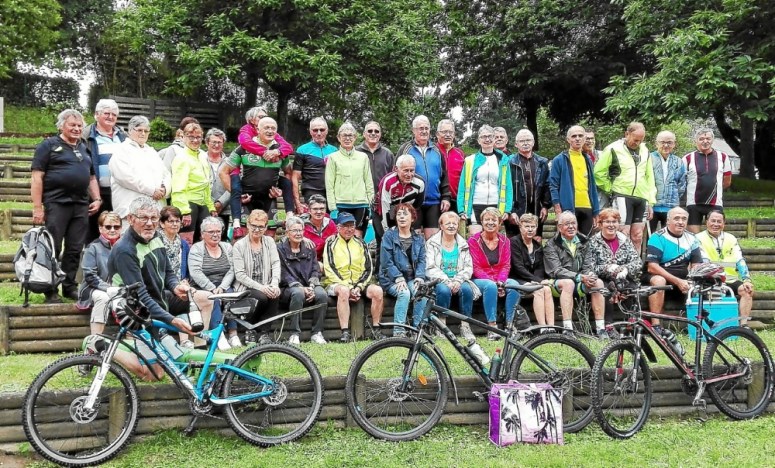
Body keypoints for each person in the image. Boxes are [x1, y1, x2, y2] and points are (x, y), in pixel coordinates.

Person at [105, 196, 212, 380]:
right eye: (143, 218)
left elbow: (168, 270)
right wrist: (173, 320)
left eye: (154, 218)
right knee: (154, 375)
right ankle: (104, 346)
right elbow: (141, 297)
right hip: (135, 310)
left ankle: (198, 351)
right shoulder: (125, 250)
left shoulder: (155, 236)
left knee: (205, 298)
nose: (149, 223)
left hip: (158, 299)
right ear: (130, 219)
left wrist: (176, 285)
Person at [31, 109, 102, 302]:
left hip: (81, 205)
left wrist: (97, 199)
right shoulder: (48, 146)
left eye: (80, 125)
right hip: (56, 203)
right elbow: (37, 177)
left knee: (75, 247)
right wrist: (38, 208)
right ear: (61, 125)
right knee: (52, 246)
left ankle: (69, 285)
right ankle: (50, 289)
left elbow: (91, 176)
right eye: (72, 125)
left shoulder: (84, 147)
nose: (77, 129)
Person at [228, 107, 295, 238]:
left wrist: (280, 188)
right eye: (263, 121)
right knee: (241, 239)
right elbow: (224, 171)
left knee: (269, 240)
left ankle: (290, 215)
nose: (270, 130)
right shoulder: (244, 143)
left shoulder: (279, 147)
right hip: (247, 198)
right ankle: (236, 224)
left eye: (273, 128)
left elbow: (288, 172)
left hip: (269, 198)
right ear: (257, 127)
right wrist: (236, 192)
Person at [594, 122, 656, 253]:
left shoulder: (645, 151)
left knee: (638, 236)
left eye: (640, 140)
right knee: (623, 234)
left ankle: (635, 268)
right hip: (622, 195)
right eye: (635, 140)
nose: (637, 143)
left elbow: (650, 177)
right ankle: (621, 268)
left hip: (642, 197)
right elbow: (598, 172)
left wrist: (651, 201)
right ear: (627, 134)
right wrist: (611, 188)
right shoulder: (613, 148)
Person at [322, 212, 384, 342]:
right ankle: (345, 332)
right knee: (344, 291)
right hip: (336, 282)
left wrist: (359, 286)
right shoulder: (330, 243)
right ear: (338, 227)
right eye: (345, 226)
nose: (349, 229)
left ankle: (376, 329)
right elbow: (329, 268)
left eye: (352, 225)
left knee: (377, 291)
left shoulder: (361, 243)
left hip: (359, 283)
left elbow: (368, 268)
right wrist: (349, 287)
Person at [582, 208, 643, 336]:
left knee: (632, 288)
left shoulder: (625, 240)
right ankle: (608, 327)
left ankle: (631, 327)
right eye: (607, 222)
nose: (611, 225)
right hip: (603, 279)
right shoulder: (593, 242)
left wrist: (625, 269)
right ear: (600, 224)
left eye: (614, 221)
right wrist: (608, 268)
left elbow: (637, 263)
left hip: (623, 277)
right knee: (606, 289)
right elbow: (588, 267)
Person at [543, 211, 606, 334]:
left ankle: (601, 329)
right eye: (567, 224)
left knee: (598, 283)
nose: (571, 227)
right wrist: (579, 277)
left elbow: (588, 265)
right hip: (557, 282)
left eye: (573, 223)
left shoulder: (584, 241)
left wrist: (589, 276)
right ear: (560, 227)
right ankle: (568, 329)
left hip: (580, 280)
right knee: (568, 283)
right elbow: (556, 270)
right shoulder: (551, 244)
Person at [643, 207, 705, 328]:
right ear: (667, 221)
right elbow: (652, 267)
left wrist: (691, 281)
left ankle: (697, 325)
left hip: (682, 278)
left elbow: (696, 265)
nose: (680, 222)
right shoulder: (658, 237)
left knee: (701, 282)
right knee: (659, 281)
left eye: (684, 219)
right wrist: (677, 281)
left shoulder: (692, 238)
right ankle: (656, 326)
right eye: (676, 218)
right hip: (658, 275)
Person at [467, 208, 521, 340]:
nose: (490, 222)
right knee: (490, 286)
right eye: (487, 219)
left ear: (499, 223)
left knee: (514, 284)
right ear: (482, 222)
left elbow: (505, 265)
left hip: (499, 279)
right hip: (480, 279)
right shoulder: (473, 241)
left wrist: (501, 281)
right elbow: (476, 267)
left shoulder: (505, 241)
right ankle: (492, 328)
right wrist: (495, 282)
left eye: (494, 220)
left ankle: (510, 325)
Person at [187, 216, 240, 349]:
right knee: (213, 298)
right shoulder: (196, 249)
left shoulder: (227, 247)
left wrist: (222, 287)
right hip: (203, 286)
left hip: (223, 284)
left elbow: (232, 269)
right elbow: (195, 273)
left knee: (230, 296)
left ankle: (233, 334)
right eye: (211, 232)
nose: (216, 235)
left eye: (218, 231)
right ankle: (219, 335)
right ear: (203, 234)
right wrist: (211, 287)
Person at [425, 212, 480, 340]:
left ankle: (465, 326)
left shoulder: (463, 244)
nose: (451, 226)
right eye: (448, 223)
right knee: (443, 290)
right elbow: (430, 267)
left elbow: (468, 267)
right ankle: (441, 326)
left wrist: (457, 280)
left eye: (454, 223)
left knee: (466, 290)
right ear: (441, 226)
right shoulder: (432, 243)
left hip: (458, 279)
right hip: (439, 280)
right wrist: (447, 281)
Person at [231, 209, 282, 345]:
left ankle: (264, 333)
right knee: (262, 296)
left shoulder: (270, 242)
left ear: (265, 227)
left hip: (266, 283)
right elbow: (240, 275)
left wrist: (275, 284)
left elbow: (276, 264)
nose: (257, 229)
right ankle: (250, 329)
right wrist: (262, 288)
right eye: (254, 225)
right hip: (246, 287)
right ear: (247, 225)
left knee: (275, 294)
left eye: (261, 226)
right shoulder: (239, 245)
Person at [109, 115, 170, 226]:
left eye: (146, 131)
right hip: (131, 211)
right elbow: (125, 177)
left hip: (155, 212)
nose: (143, 134)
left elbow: (166, 174)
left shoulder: (152, 152)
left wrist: (165, 189)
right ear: (130, 131)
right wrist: (152, 190)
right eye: (139, 130)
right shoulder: (121, 150)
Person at [277, 216, 329, 345]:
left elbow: (315, 269)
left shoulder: (309, 247)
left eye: (300, 230)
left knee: (322, 294)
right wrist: (300, 287)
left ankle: (317, 332)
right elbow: (282, 273)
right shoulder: (279, 249)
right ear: (287, 233)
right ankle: (294, 333)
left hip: (308, 283)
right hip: (288, 287)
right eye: (294, 230)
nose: (298, 233)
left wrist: (312, 285)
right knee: (298, 293)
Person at [397, 115, 450, 238]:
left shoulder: (436, 150)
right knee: (413, 239)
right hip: (412, 202)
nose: (424, 131)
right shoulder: (405, 149)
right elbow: (396, 174)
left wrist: (446, 197)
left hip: (434, 202)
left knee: (433, 240)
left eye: (426, 128)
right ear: (413, 130)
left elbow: (444, 176)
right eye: (421, 128)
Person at [696, 211, 754, 320]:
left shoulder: (731, 238)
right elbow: (704, 260)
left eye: (719, 221)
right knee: (716, 292)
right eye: (713, 221)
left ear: (724, 223)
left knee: (747, 290)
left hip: (731, 278)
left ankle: (743, 324)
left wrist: (746, 279)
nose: (716, 224)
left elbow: (740, 260)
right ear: (706, 222)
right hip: (710, 279)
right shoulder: (698, 238)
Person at [83, 99, 127, 242]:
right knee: (94, 232)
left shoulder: (123, 137)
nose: (110, 117)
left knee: (117, 231)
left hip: (119, 191)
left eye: (114, 114)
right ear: (96, 114)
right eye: (106, 113)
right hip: (96, 192)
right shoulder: (86, 136)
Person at [379, 204, 426, 337]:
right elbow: (386, 262)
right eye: (399, 214)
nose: (401, 217)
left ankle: (417, 330)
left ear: (412, 218)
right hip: (391, 278)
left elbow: (422, 260)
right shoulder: (388, 236)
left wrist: (420, 277)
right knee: (404, 293)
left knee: (420, 291)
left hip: (411, 278)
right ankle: (398, 331)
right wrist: (398, 278)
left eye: (405, 214)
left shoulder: (418, 239)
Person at [457, 125, 513, 235]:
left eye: (490, 136)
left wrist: (507, 209)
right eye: (484, 137)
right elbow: (462, 187)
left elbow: (508, 187)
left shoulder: (503, 160)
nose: (487, 139)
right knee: (476, 239)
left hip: (496, 204)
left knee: (493, 241)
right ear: (479, 140)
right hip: (475, 204)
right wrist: (461, 209)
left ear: (494, 138)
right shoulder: (470, 160)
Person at [548, 125, 600, 236]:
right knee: (568, 242)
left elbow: (593, 187)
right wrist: (558, 210)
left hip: (587, 207)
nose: (577, 138)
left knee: (586, 243)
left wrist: (596, 211)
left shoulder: (587, 159)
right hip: (568, 208)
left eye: (580, 136)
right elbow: (553, 186)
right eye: (574, 136)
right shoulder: (559, 160)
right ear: (568, 139)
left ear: (585, 138)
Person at [77, 211, 122, 335]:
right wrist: (109, 288)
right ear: (100, 228)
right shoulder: (92, 247)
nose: (112, 230)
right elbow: (90, 276)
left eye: (116, 227)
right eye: (108, 227)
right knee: (103, 298)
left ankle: (132, 341)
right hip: (92, 288)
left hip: (119, 289)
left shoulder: (126, 247)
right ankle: (95, 339)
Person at [325, 123, 374, 237]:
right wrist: (332, 208)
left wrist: (371, 205)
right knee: (342, 237)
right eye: (344, 135)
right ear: (338, 138)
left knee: (357, 237)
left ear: (355, 137)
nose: (347, 138)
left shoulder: (363, 157)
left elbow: (368, 182)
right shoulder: (333, 157)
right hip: (341, 204)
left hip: (361, 204)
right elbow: (329, 184)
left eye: (350, 135)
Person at [170, 121, 216, 244]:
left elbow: (206, 183)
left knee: (204, 240)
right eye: (191, 137)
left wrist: (210, 206)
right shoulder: (181, 158)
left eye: (198, 137)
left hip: (202, 203)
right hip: (188, 204)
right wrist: (184, 211)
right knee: (187, 241)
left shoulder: (202, 155)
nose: (195, 140)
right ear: (183, 137)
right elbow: (178, 187)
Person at [683, 128, 733, 233]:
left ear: (712, 140)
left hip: (715, 203)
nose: (705, 141)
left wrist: (715, 189)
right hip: (694, 203)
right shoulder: (687, 158)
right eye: (701, 139)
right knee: (693, 237)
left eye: (708, 138)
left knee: (714, 235)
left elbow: (727, 181)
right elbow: (682, 181)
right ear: (695, 141)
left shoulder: (723, 157)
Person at [509, 213, 554, 326]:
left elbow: (540, 267)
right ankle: (543, 327)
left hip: (532, 280)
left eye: (533, 227)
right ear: (520, 227)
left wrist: (538, 280)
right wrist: (537, 281)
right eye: (527, 226)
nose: (530, 229)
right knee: (539, 290)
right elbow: (518, 267)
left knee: (547, 289)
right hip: (517, 279)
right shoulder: (514, 242)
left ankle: (551, 326)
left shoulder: (537, 245)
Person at [507, 129, 550, 239]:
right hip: (516, 209)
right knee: (515, 243)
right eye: (522, 141)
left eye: (528, 140)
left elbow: (546, 185)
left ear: (533, 142)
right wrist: (510, 211)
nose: (525, 143)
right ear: (516, 144)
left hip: (536, 208)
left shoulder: (542, 162)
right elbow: (506, 188)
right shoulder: (509, 162)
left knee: (536, 241)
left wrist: (545, 206)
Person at [374, 155, 426, 240]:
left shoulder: (420, 183)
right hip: (382, 208)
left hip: (404, 208)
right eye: (405, 171)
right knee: (384, 237)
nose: (409, 174)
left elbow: (416, 207)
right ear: (396, 169)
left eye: (412, 170)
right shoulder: (388, 182)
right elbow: (385, 208)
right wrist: (387, 232)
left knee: (406, 237)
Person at [292, 117, 338, 213]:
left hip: (331, 193)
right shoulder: (302, 150)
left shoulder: (334, 150)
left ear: (327, 131)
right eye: (315, 130)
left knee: (331, 224)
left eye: (322, 130)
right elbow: (295, 176)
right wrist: (297, 201)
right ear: (310, 131)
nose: (319, 133)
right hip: (311, 192)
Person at [649, 130, 687, 232]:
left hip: (671, 206)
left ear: (674, 144)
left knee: (670, 235)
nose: (666, 145)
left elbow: (682, 184)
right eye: (662, 142)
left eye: (669, 142)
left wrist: (674, 197)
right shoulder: (649, 158)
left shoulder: (678, 161)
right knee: (650, 236)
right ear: (656, 143)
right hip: (651, 206)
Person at [203, 128, 231, 240]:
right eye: (213, 142)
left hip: (223, 208)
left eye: (219, 142)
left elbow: (234, 184)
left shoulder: (230, 162)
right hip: (203, 206)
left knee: (220, 240)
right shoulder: (200, 159)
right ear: (206, 143)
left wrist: (220, 203)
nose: (216, 145)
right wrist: (209, 205)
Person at [357, 120, 395, 198]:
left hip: (383, 198)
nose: (373, 133)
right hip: (361, 199)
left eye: (376, 131)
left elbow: (393, 177)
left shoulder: (388, 154)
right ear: (364, 134)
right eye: (370, 131)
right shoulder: (356, 152)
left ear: (380, 134)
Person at [437, 119, 465, 215]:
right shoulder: (433, 151)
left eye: (450, 132)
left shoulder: (460, 153)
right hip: (437, 201)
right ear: (437, 134)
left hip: (455, 200)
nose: (448, 135)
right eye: (444, 132)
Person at [303, 194, 338, 261]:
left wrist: (335, 236)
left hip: (325, 259)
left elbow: (337, 234)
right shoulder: (301, 224)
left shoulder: (329, 222)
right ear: (309, 210)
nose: (319, 212)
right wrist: (302, 238)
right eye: (315, 209)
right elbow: (289, 234)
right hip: (305, 259)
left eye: (322, 209)